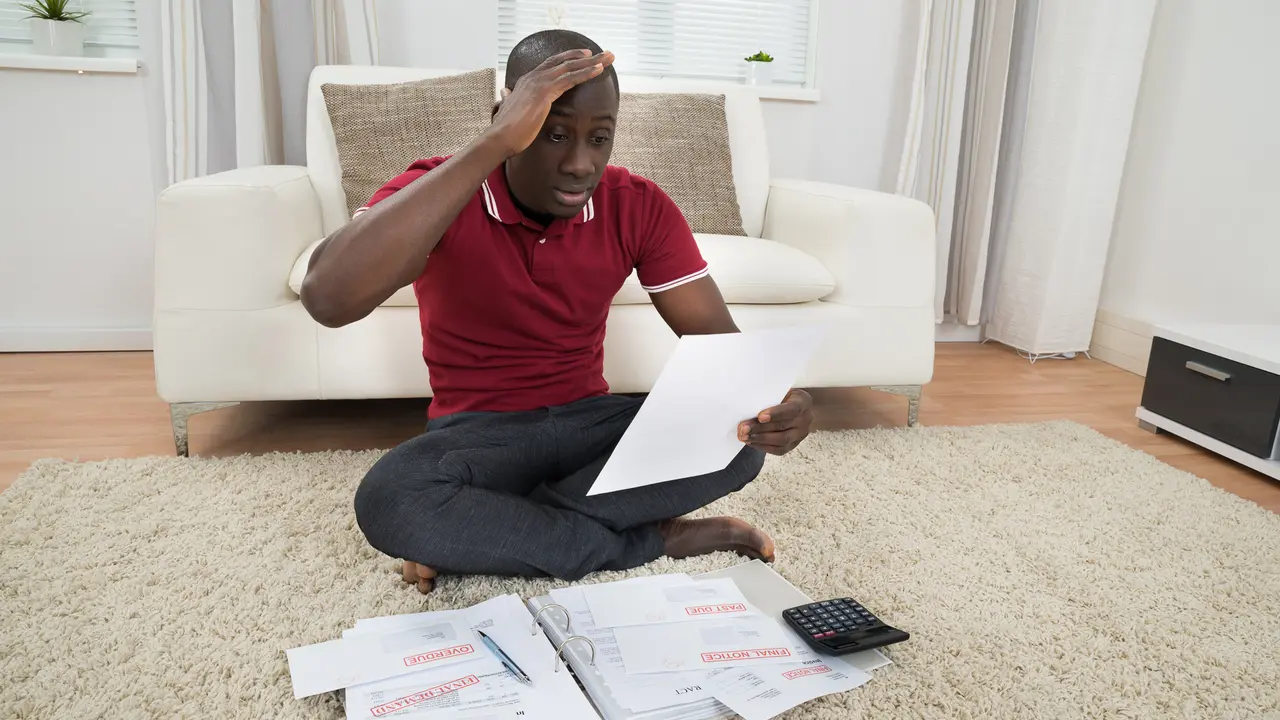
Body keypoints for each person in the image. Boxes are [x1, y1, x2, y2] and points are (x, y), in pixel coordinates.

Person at [300, 29, 816, 594]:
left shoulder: (638, 205)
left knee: (735, 443)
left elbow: (723, 350)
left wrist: (782, 405)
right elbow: (328, 299)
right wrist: (493, 144)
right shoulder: (438, 189)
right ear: (507, 119)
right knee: (391, 499)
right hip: (480, 438)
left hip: (587, 423)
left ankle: (493, 528)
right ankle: (652, 540)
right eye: (553, 134)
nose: (579, 163)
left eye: (599, 138)